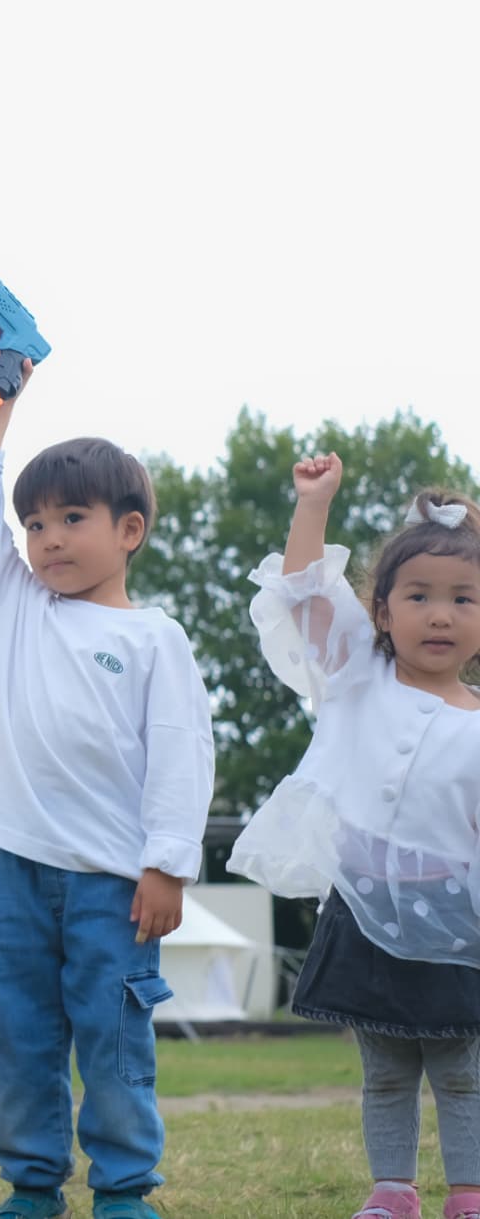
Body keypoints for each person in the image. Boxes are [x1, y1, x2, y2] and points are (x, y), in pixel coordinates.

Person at [0, 350, 214, 1219]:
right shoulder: (15, 604)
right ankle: (30, 1186)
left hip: (115, 883)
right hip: (10, 867)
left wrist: (167, 864)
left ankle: (125, 1190)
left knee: (114, 1034)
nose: (48, 537)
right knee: (22, 1035)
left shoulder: (156, 639)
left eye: (72, 517)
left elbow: (180, 754)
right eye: (37, 523)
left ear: (129, 530)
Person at [228, 456, 480, 1219]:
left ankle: (469, 1194)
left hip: (456, 925)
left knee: (463, 1071)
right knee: (386, 1068)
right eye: (419, 596)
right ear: (380, 611)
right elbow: (304, 592)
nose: (440, 614)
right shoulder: (354, 676)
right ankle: (393, 1191)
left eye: (463, 599)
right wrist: (314, 505)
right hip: (367, 906)